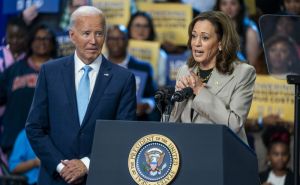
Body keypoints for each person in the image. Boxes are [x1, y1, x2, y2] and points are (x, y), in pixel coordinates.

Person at [25, 6, 136, 185]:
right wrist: (62, 167)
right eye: (86, 33)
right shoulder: (49, 72)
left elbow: (124, 133)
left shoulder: (123, 78)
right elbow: (35, 128)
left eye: (99, 33)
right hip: (55, 178)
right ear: (72, 35)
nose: (93, 40)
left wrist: (86, 164)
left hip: (99, 177)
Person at [169, 11, 256, 144]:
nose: (196, 43)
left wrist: (200, 91)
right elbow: (172, 124)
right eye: (193, 36)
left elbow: (234, 124)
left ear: (221, 43)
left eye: (204, 38)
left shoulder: (243, 73)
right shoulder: (185, 71)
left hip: (222, 151)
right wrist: (179, 100)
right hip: (188, 149)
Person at [0, 24, 57, 156]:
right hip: (14, 141)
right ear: (30, 42)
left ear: (53, 43)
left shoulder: (63, 70)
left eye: (46, 39)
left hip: (50, 143)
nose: (41, 42)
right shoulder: (14, 70)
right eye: (37, 38)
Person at [106, 24, 160, 121]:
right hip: (105, 121)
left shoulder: (143, 67)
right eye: (112, 38)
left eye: (120, 38)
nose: (116, 42)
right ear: (106, 41)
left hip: (135, 122)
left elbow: (154, 96)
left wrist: (147, 105)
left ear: (127, 41)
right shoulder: (97, 66)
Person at [127, 11, 168, 87]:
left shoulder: (161, 55)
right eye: (137, 25)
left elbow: (161, 85)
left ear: (150, 29)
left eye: (145, 26)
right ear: (129, 28)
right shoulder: (120, 51)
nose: (141, 30)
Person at [214, 0, 261, 66]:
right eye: (224, 4)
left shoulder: (250, 31)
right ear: (218, 7)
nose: (228, 8)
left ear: (240, 6)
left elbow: (251, 65)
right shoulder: (213, 28)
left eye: (233, 3)